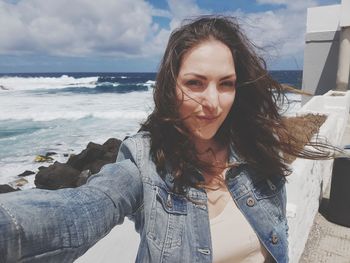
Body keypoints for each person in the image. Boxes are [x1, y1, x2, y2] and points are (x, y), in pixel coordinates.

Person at [0, 16, 333, 263]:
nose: (213, 102)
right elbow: (82, 211)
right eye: (195, 83)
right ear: (171, 88)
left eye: (226, 84)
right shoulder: (145, 163)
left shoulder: (257, 151)